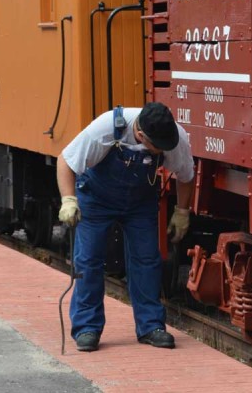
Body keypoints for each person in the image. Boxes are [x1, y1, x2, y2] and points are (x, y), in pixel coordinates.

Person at [56, 102, 195, 352]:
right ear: (140, 135)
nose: (163, 152)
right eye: (157, 148)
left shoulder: (173, 137)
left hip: (140, 202)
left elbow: (185, 175)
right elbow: (65, 161)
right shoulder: (106, 128)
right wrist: (68, 200)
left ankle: (151, 326)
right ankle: (87, 328)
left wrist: (182, 211)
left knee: (147, 260)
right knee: (88, 261)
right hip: (96, 200)